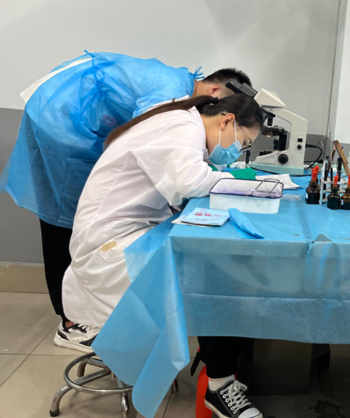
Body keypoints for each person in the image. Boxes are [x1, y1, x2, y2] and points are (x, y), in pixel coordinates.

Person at [0, 51, 252, 352]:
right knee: (62, 215)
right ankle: (72, 323)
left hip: (68, 116)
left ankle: (85, 310)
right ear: (215, 91)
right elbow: (155, 141)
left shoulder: (180, 90)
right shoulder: (171, 94)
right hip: (60, 121)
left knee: (73, 215)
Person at [62, 93, 265, 418]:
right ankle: (219, 385)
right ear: (227, 121)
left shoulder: (183, 121)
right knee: (212, 274)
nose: (237, 151)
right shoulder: (182, 126)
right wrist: (237, 181)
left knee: (213, 264)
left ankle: (221, 370)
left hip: (127, 233)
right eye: (243, 143)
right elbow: (189, 181)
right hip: (110, 249)